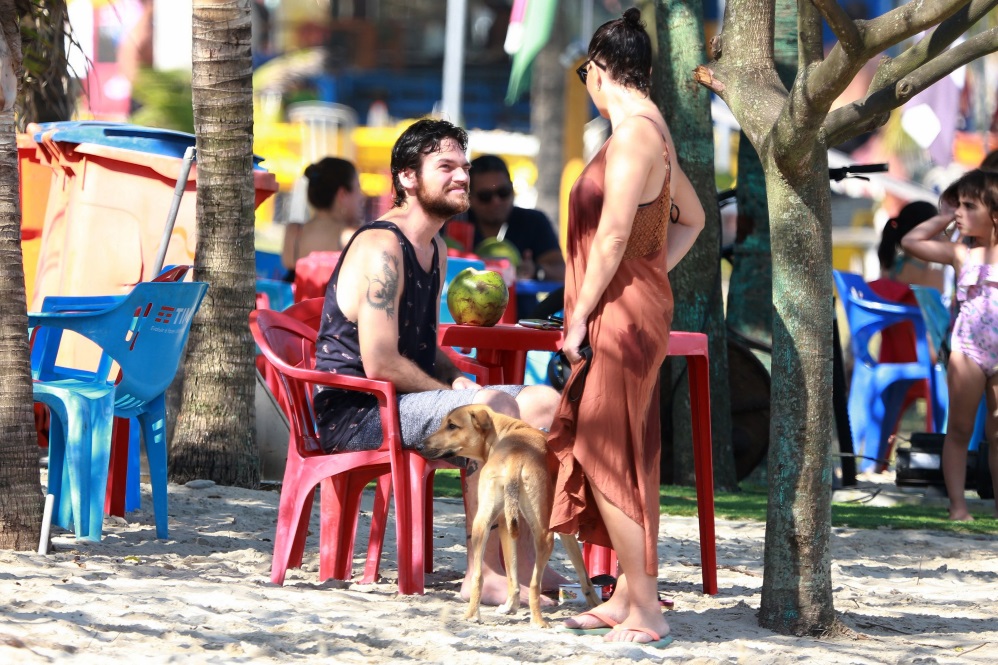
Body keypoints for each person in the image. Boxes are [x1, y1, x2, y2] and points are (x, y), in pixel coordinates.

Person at [311, 118, 564, 604]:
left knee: (544, 404)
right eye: (446, 166)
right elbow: (381, 362)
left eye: (464, 168)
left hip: (401, 403)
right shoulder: (382, 246)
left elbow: (422, 349)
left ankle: (525, 563)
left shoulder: (436, 247)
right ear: (407, 177)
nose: (463, 178)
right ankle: (483, 571)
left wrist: (456, 376)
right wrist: (455, 394)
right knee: (487, 409)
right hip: (358, 411)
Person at [548, 8, 704, 646]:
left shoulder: (636, 133)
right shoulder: (651, 131)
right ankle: (627, 598)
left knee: (607, 449)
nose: (586, 81)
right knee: (624, 449)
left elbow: (614, 233)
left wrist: (581, 314)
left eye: (587, 70)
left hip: (618, 314)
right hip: (632, 303)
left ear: (602, 69)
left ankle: (646, 608)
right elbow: (690, 218)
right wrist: (652, 267)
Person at [901, 169, 998, 520]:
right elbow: (911, 242)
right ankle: (958, 505)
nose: (960, 212)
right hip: (969, 352)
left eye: (969, 206)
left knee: (997, 432)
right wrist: (945, 215)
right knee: (958, 428)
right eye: (958, 205)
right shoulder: (961, 253)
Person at [466, 154, 566, 282]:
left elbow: (562, 271)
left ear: (512, 189)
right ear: (469, 198)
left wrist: (536, 270)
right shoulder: (454, 222)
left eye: (503, 192)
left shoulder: (534, 221)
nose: (496, 201)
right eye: (485, 196)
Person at [280, 157, 365, 282]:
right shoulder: (351, 237)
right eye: (358, 188)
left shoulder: (293, 232)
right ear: (342, 194)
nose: (362, 197)